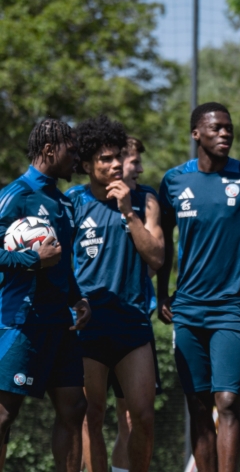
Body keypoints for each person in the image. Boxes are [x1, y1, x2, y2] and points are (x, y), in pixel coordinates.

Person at [157, 102, 240, 472]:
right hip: (187, 309)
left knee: (229, 400)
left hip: (233, 309)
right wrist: (161, 294)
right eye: (216, 128)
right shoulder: (173, 181)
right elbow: (163, 242)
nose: (225, 133)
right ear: (196, 134)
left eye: (229, 128)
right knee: (198, 406)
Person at [67, 121, 163, 472]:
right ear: (88, 164)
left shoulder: (145, 199)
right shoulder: (73, 202)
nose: (115, 165)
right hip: (88, 325)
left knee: (143, 416)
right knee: (90, 415)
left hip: (132, 323)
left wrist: (128, 212)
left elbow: (156, 257)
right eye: (105, 159)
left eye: (119, 157)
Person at [0, 119, 91, 471]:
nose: (77, 157)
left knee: (74, 408)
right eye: (72, 149)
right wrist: (32, 260)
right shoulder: (16, 194)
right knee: (5, 415)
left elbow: (62, 265)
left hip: (60, 323)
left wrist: (77, 299)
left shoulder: (64, 202)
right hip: (22, 323)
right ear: (50, 150)